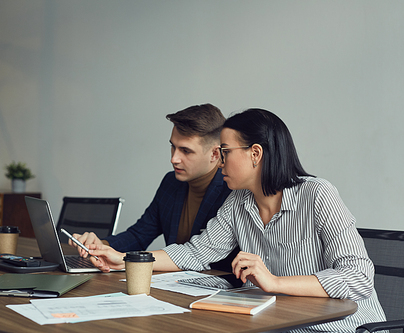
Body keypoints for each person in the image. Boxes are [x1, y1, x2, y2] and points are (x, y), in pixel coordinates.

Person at [86, 108, 387, 332]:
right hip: (282, 322)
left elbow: (359, 276)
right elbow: (195, 252)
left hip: (343, 325)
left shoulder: (317, 194)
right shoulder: (238, 202)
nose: (220, 160)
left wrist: (274, 281)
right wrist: (124, 258)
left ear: (255, 154)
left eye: (226, 152)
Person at [70, 103, 236, 270]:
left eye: (186, 151)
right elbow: (139, 234)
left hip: (218, 289)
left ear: (215, 154)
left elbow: (199, 255)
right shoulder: (171, 182)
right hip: (172, 285)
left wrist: (123, 259)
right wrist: (100, 245)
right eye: (173, 146)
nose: (174, 159)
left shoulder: (232, 190)